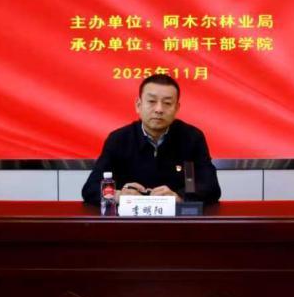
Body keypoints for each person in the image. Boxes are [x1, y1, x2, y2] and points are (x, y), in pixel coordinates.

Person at [80, 73, 221, 204]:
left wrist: (179, 197)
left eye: (167, 103)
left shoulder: (192, 138)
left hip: (176, 219)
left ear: (176, 108)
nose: (159, 109)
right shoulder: (119, 139)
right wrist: (118, 195)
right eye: (152, 101)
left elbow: (211, 187)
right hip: (130, 219)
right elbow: (90, 188)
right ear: (138, 105)